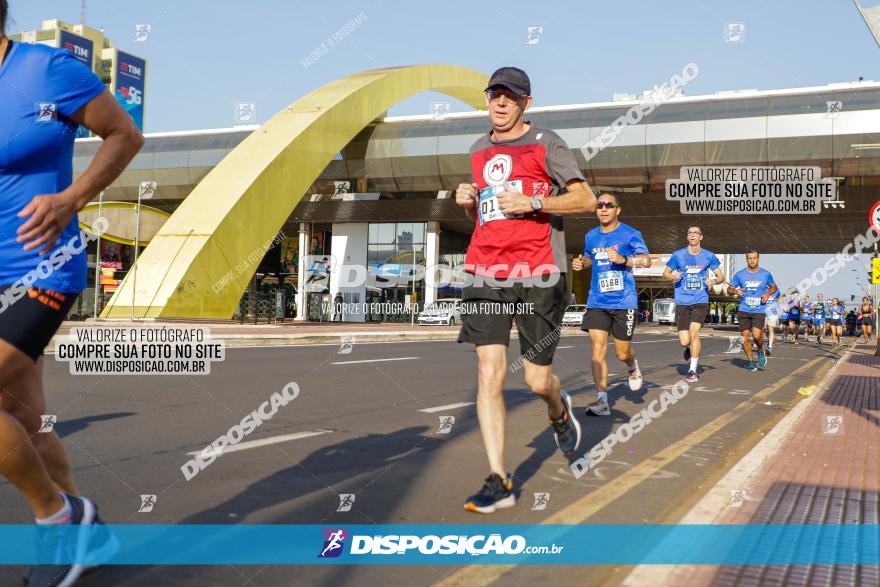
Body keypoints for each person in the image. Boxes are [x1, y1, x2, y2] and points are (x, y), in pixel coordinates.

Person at [0, 8, 144, 586]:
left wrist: (74, 198)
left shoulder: (46, 68)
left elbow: (125, 133)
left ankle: (61, 516)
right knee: (25, 418)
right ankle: (94, 538)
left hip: (41, 266)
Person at [454, 66, 596, 513]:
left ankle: (558, 408)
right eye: (494, 95)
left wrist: (535, 201)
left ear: (525, 104)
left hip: (538, 272)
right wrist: (469, 204)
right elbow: (486, 218)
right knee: (489, 374)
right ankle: (499, 478)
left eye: (509, 97)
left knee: (536, 380)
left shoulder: (546, 143)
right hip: (485, 272)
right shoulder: (478, 150)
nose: (499, 103)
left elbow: (585, 199)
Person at [573, 193, 650, 416]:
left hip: (623, 301)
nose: (604, 209)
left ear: (618, 210)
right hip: (597, 300)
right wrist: (582, 263)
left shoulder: (630, 234)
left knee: (622, 353)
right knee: (597, 349)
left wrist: (624, 260)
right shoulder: (591, 236)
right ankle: (602, 401)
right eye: (599, 205)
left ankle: (632, 367)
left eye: (609, 205)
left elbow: (646, 260)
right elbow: (589, 258)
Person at [662, 226, 724, 382]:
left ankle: (692, 370)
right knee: (684, 340)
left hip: (700, 300)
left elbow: (721, 276)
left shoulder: (709, 256)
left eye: (695, 233)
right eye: (690, 233)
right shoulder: (678, 255)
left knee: (694, 333)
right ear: (687, 236)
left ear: (701, 237)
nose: (692, 235)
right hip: (682, 301)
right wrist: (672, 275)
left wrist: (714, 281)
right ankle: (688, 349)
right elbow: (665, 273)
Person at [726, 251, 777, 372]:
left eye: (754, 258)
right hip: (743, 309)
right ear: (746, 259)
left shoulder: (765, 274)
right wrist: (735, 291)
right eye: (749, 258)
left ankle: (760, 350)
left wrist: (768, 293)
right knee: (745, 337)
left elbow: (774, 287)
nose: (752, 260)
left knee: (757, 335)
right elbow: (729, 289)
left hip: (759, 310)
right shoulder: (740, 274)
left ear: (758, 259)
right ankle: (750, 361)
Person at [764, 288, 780, 354]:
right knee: (764, 329)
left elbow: (779, 300)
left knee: (770, 328)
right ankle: (769, 340)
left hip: (772, 313)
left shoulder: (777, 291)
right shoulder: (763, 290)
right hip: (764, 313)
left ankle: (770, 346)